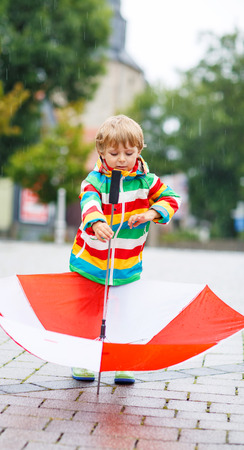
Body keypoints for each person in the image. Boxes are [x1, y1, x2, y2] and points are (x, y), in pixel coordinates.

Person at [69, 114, 181, 384]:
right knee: (89, 312)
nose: (121, 158)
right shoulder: (95, 179)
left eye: (128, 153)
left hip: (127, 261)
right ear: (101, 151)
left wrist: (151, 213)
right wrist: (95, 222)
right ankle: (84, 360)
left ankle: (122, 362)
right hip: (92, 259)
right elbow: (89, 200)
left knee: (125, 313)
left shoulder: (147, 181)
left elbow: (171, 199)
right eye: (114, 152)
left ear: (139, 151)